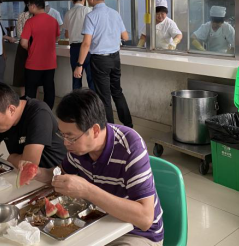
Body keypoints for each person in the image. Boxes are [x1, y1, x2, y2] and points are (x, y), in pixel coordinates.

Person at [35, 90, 164, 246]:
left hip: (135, 233)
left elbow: (145, 219)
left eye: (71, 137)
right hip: (99, 222)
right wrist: (38, 172)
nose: (65, 143)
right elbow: (61, 175)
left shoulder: (130, 146)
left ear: (95, 130)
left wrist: (87, 190)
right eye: (62, 135)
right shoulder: (77, 149)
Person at [74, 0, 133, 128]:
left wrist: (79, 65)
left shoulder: (91, 16)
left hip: (100, 60)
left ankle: (110, 130)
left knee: (104, 97)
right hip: (115, 58)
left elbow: (86, 43)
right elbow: (125, 36)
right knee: (117, 92)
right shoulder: (115, 13)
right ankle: (128, 125)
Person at [0, 83, 66, 169]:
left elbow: (29, 164)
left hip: (54, 174)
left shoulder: (39, 114)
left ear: (11, 110)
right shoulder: (2, 115)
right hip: (22, 172)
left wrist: (12, 158)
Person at [20, 0, 60, 109]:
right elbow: (56, 37)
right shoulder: (53, 20)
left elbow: (23, 43)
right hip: (50, 63)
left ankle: (31, 112)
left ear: (33, 6)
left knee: (31, 90)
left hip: (33, 63)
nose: (28, 7)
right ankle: (48, 111)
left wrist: (31, 49)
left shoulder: (30, 22)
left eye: (28, 5)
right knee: (49, 89)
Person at [63, 0, 94, 90]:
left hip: (74, 49)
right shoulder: (89, 10)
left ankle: (76, 99)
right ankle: (94, 100)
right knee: (92, 79)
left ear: (72, 0)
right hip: (88, 48)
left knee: (76, 78)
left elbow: (67, 34)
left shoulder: (68, 13)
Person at [13, 0, 35, 95]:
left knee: (22, 74)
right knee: (35, 75)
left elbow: (19, 34)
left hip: (23, 46)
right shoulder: (39, 16)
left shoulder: (22, 15)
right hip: (35, 46)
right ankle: (34, 99)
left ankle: (23, 97)